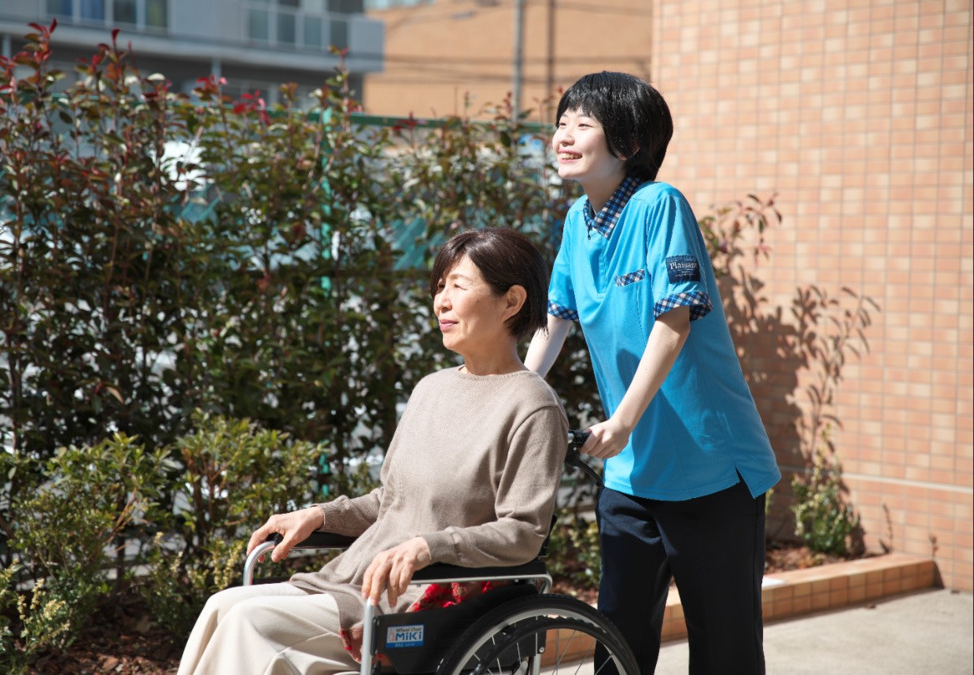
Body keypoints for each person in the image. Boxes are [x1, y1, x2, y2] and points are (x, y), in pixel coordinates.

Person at [178, 227, 569, 675]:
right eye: (439, 287)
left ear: (511, 302)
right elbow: (391, 501)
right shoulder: (431, 389)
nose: (440, 301)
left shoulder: (532, 405)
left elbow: (523, 532)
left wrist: (430, 545)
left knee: (247, 620)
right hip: (355, 581)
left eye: (458, 286)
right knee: (220, 606)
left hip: (422, 601)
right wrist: (322, 515)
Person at [524, 71, 782, 675]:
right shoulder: (576, 224)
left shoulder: (657, 205)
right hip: (631, 478)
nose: (564, 134)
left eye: (583, 124)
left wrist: (621, 421)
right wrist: (510, 397)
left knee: (724, 653)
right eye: (562, 122)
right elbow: (554, 322)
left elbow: (674, 323)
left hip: (713, 474)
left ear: (630, 142)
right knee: (617, 646)